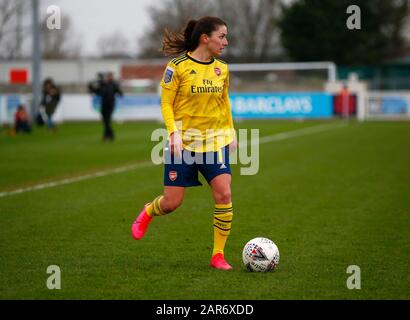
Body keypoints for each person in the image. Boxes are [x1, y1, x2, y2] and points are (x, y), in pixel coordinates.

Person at [131, 16, 237, 270]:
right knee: (171, 203)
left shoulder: (222, 68)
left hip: (214, 142)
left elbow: (225, 102)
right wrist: (173, 133)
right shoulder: (176, 66)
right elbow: (166, 103)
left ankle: (218, 256)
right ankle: (148, 211)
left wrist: (231, 132)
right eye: (221, 36)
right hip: (184, 145)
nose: (226, 41)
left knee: (224, 194)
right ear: (205, 38)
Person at [89, 72, 123, 141]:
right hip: (104, 105)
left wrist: (119, 92)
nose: (109, 78)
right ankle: (110, 135)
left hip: (110, 105)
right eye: (108, 76)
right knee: (105, 121)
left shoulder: (114, 85)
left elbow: (120, 93)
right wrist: (91, 85)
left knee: (107, 121)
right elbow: (94, 90)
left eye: (110, 76)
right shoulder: (103, 85)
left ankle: (106, 136)